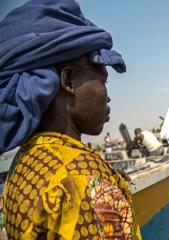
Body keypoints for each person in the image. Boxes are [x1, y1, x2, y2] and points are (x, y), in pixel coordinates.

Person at [0, 1, 142, 239]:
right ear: (68, 81)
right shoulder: (83, 179)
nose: (108, 97)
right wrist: (99, 179)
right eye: (103, 81)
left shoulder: (22, 164)